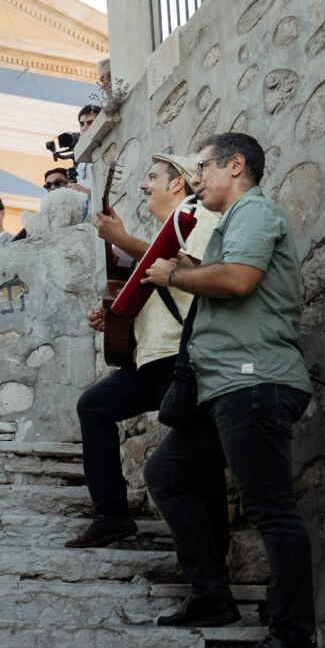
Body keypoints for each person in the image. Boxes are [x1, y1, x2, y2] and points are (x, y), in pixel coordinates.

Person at [141, 133, 318, 648]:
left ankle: (292, 642)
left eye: (202, 167)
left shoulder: (254, 212)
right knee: (167, 474)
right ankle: (213, 596)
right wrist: (188, 270)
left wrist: (175, 273)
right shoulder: (236, 221)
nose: (195, 179)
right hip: (228, 388)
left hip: (255, 381)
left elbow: (240, 280)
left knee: (271, 512)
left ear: (235, 165)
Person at [65, 154, 217, 549]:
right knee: (93, 406)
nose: (144, 186)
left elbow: (190, 269)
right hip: (149, 357)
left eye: (152, 177)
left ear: (178, 184)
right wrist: (114, 315)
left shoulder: (194, 214)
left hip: (179, 356)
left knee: (194, 460)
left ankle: (211, 563)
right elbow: (150, 284)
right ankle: (112, 516)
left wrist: (122, 239)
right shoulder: (167, 227)